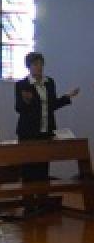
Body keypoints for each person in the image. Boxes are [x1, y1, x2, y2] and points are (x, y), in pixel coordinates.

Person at [14, 51, 79, 215]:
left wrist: (67, 97)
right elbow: (19, 108)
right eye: (35, 64)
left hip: (46, 130)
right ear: (29, 67)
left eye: (41, 64)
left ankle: (42, 202)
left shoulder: (49, 82)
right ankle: (29, 203)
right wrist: (26, 101)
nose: (39, 67)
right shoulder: (22, 84)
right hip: (28, 132)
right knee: (29, 168)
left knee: (43, 168)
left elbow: (52, 105)